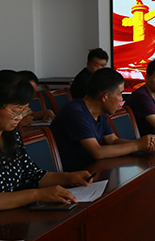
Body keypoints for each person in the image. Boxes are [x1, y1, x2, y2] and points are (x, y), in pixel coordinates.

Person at [0, 71, 93, 210]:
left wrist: (68, 178)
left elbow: (31, 175)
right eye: (16, 111)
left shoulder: (11, 135)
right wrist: (38, 194)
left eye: (24, 111)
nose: (20, 117)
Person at [50, 68, 155, 171]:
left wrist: (142, 144)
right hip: (70, 176)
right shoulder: (75, 111)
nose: (121, 99)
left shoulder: (100, 112)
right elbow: (97, 152)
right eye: (120, 94)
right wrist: (137, 145)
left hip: (89, 170)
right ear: (105, 97)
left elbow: (113, 140)